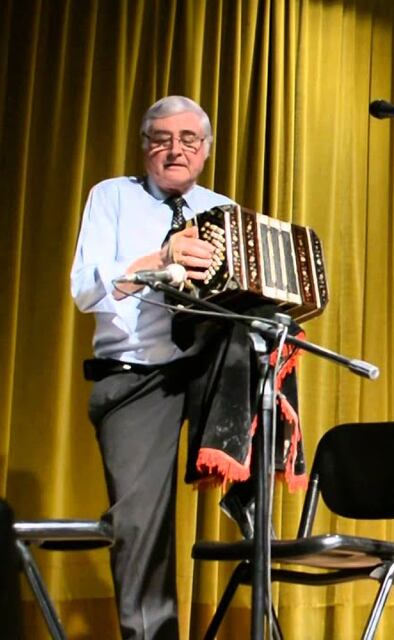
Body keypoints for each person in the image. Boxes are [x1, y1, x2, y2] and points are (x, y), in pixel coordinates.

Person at [70, 95, 232, 639]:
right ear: (145, 148)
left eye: (189, 140)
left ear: (206, 151)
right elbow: (87, 288)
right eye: (161, 138)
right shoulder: (113, 197)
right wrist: (156, 261)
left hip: (207, 365)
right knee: (141, 526)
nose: (175, 149)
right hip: (136, 375)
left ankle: (265, 613)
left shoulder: (224, 210)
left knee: (252, 490)